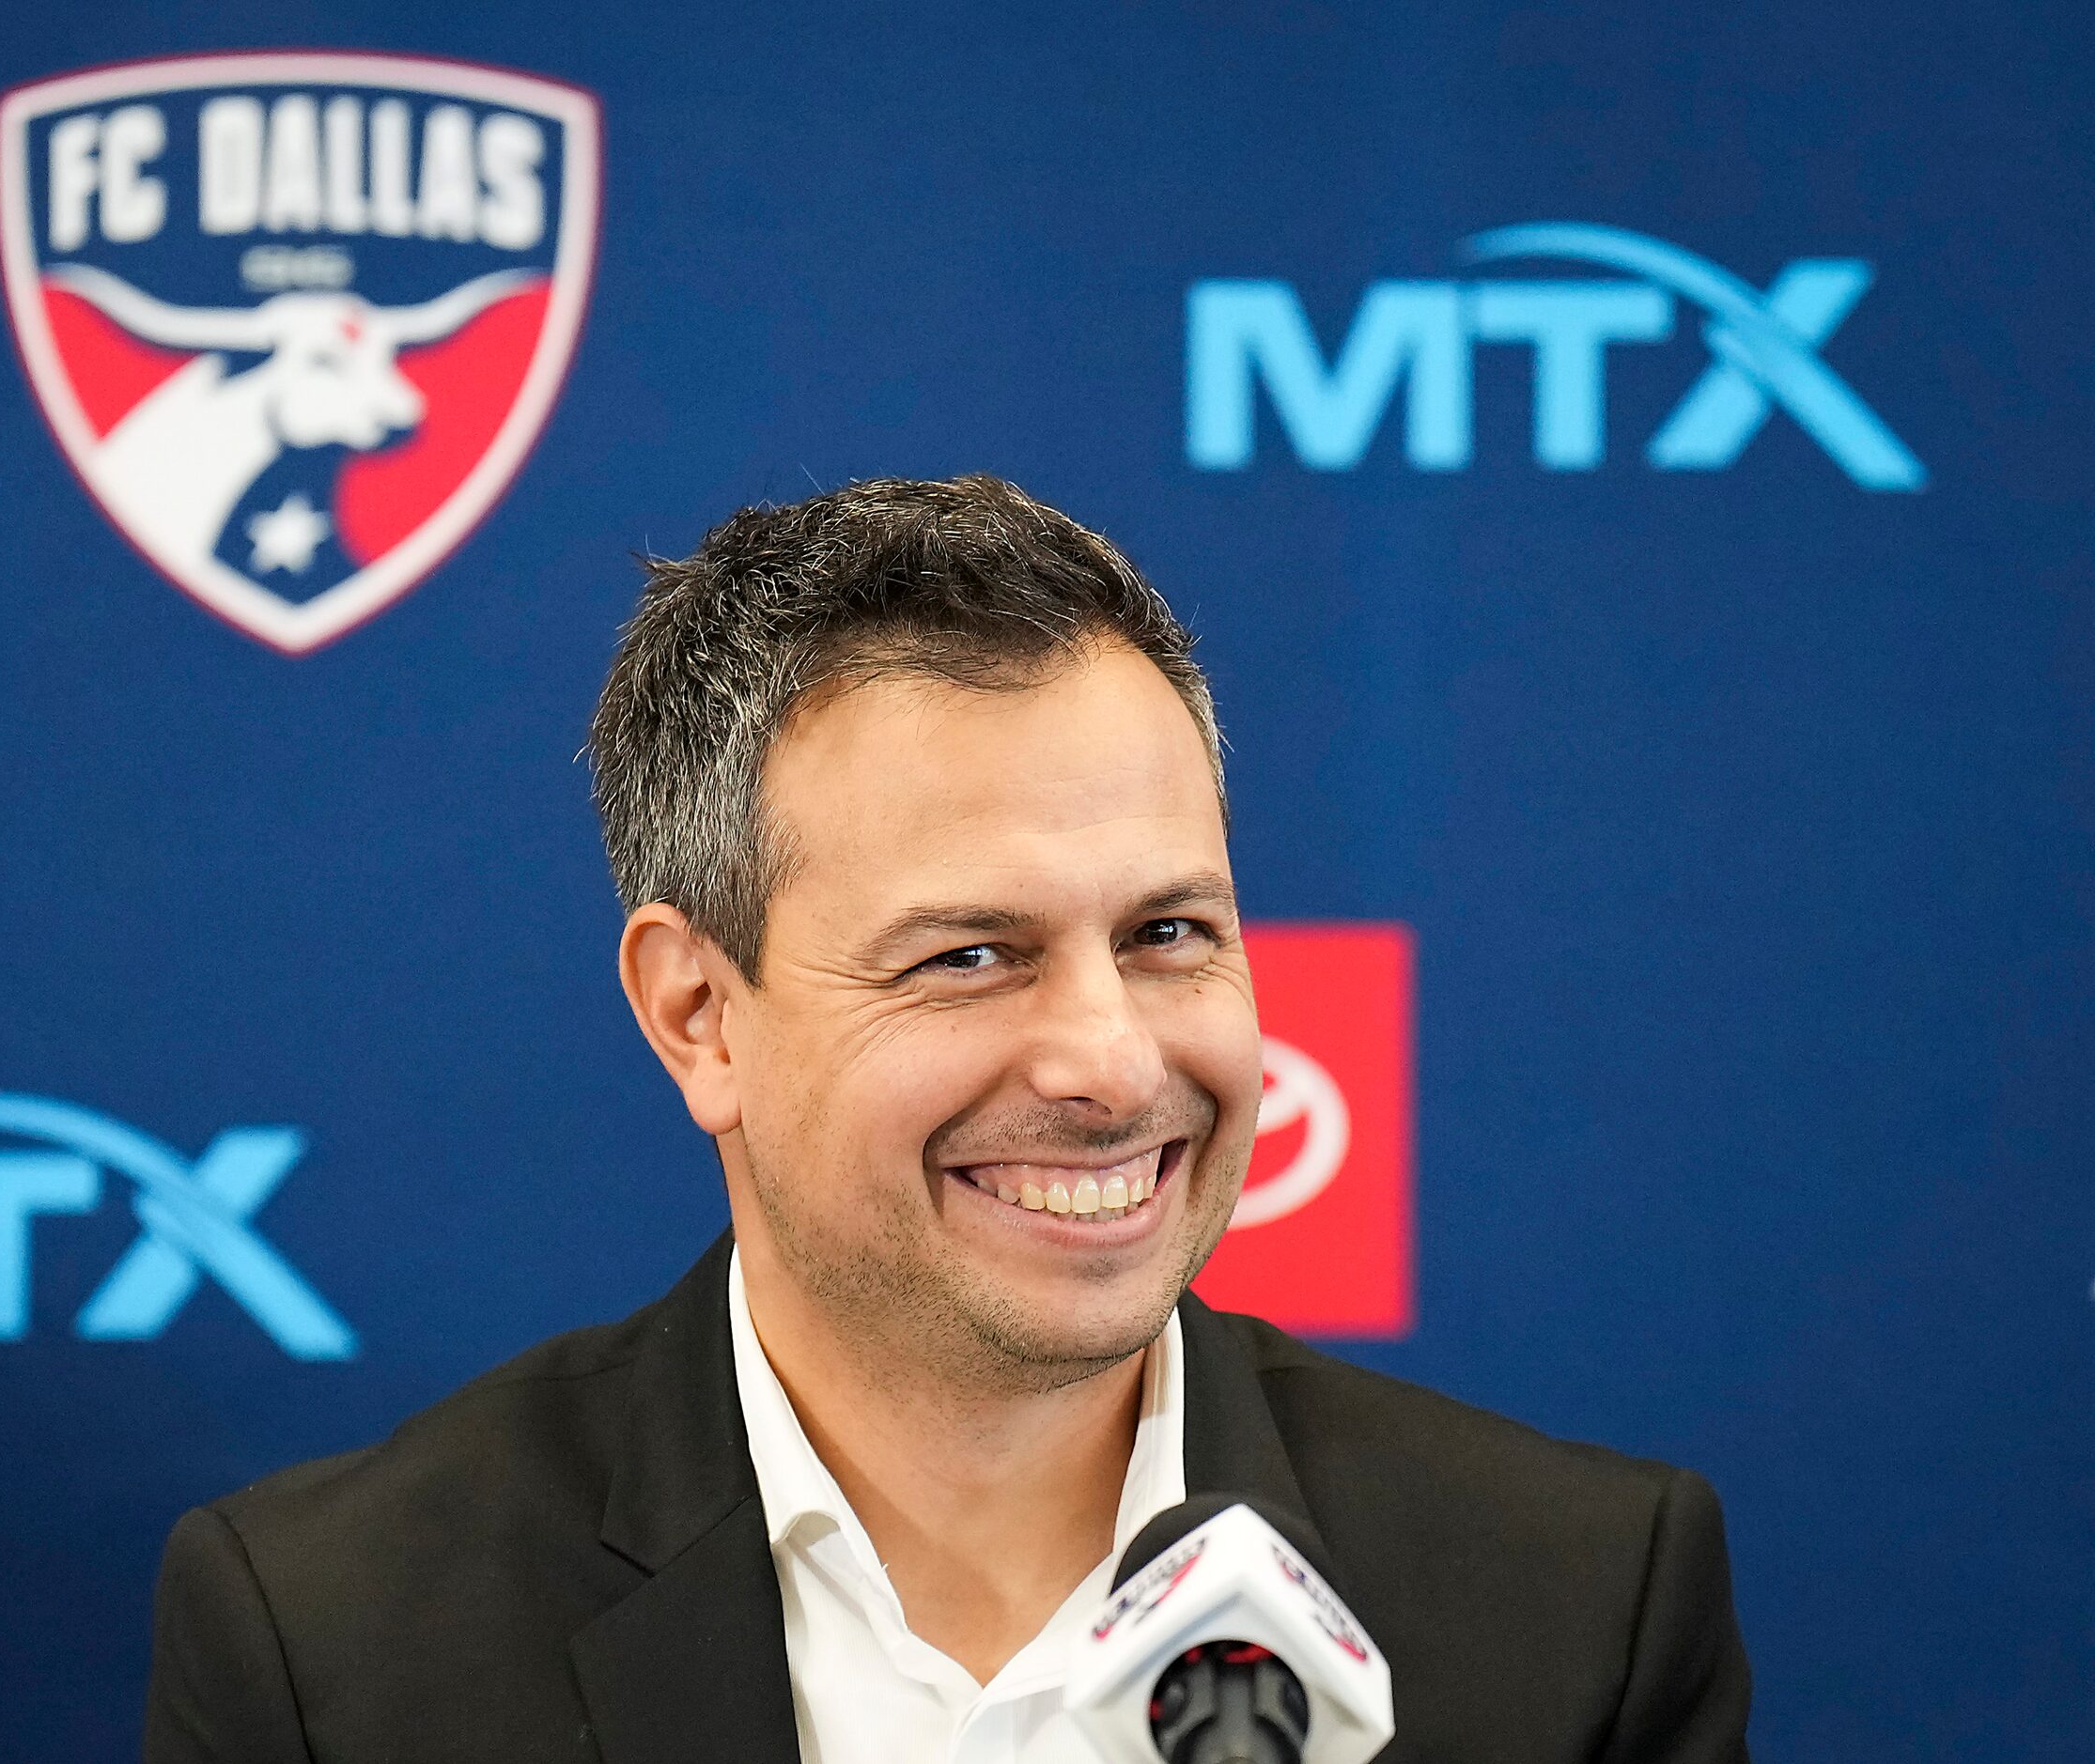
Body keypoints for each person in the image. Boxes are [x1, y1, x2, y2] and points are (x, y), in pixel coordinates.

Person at [142, 476, 1751, 1764]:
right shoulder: (334, 1644)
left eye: (1169, 933)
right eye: (971, 956)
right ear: (698, 1014)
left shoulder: (1578, 1608)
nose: (1112, 1065)